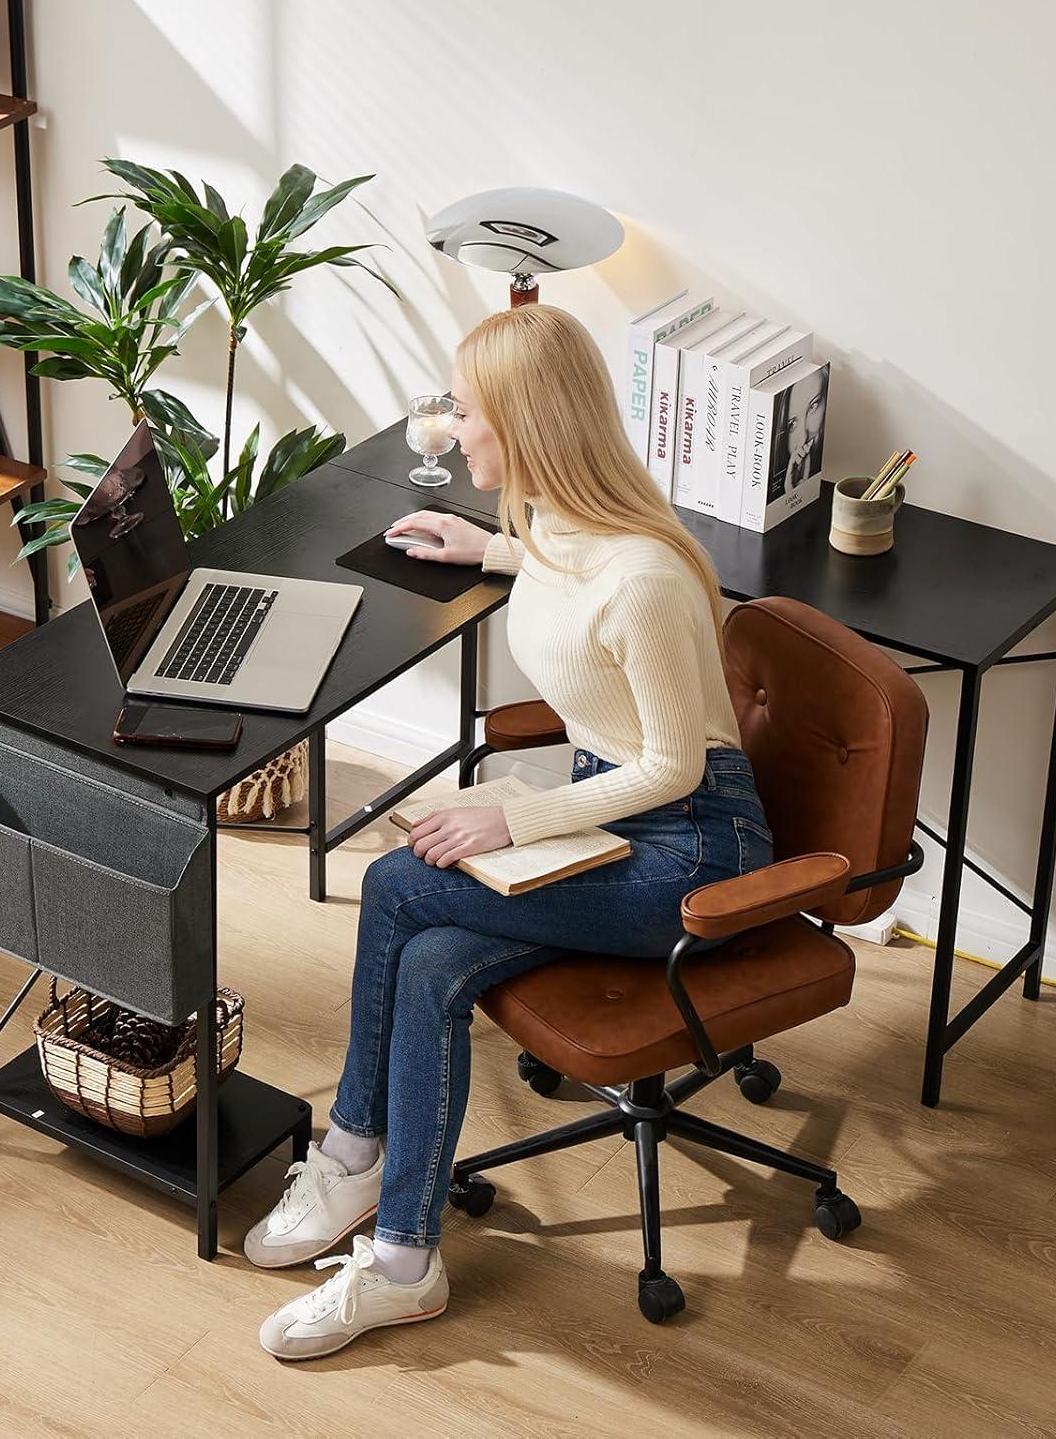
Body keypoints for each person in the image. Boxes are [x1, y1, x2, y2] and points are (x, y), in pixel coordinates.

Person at [248, 305, 773, 1361]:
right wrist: (489, 548)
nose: (453, 431)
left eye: (469, 414)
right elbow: (564, 579)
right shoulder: (554, 532)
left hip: (691, 849)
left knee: (400, 886)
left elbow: (671, 765)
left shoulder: (648, 577)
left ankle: (350, 1154)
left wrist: (511, 815)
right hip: (616, 821)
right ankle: (405, 1262)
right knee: (436, 958)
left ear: (528, 429)